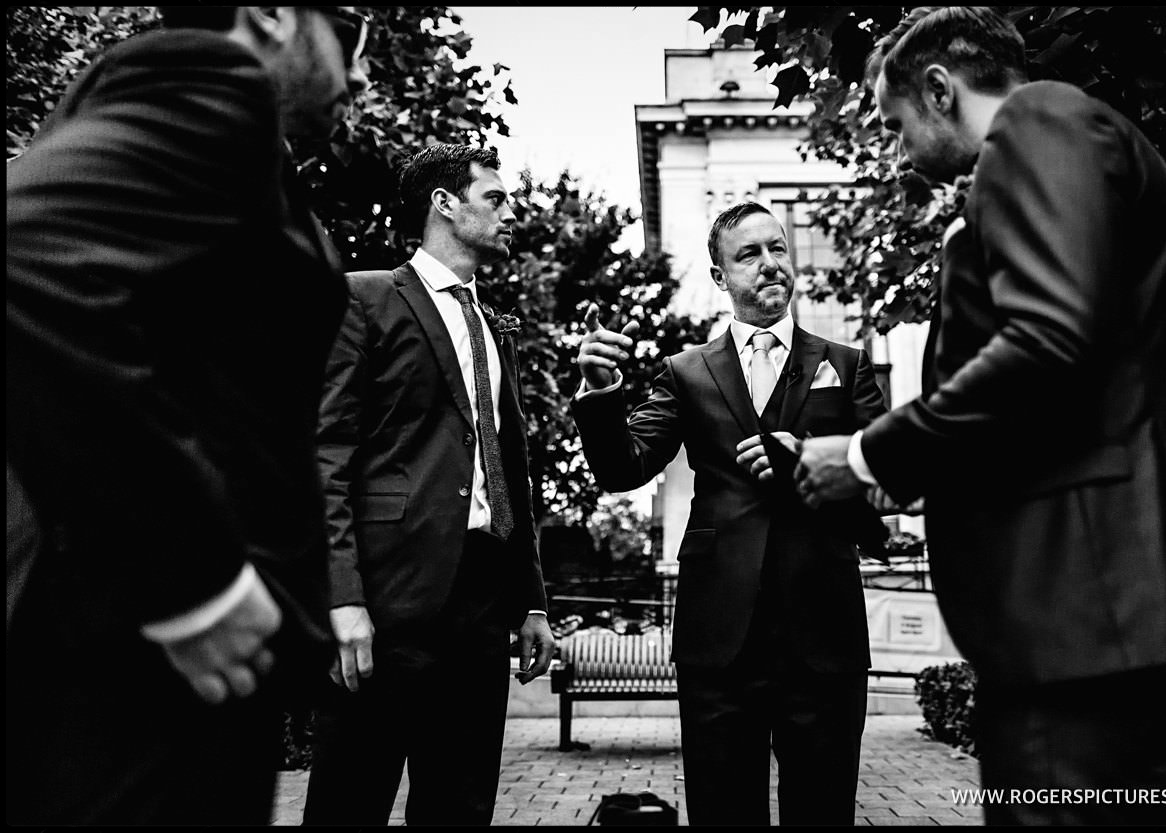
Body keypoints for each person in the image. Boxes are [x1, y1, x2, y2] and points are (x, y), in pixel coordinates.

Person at [790, 6, 1166, 825]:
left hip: (1082, 615)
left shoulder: (1037, 123)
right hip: (1125, 616)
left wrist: (868, 455)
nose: (899, 154)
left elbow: (1046, 339)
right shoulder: (1080, 143)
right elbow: (1078, 380)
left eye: (896, 129)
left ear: (939, 89)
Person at [5, 5, 370, 825]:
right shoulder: (208, 94)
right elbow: (23, 256)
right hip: (135, 675)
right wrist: (193, 583)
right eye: (351, 34)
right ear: (273, 15)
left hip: (159, 674)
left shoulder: (211, 127)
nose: (361, 74)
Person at [571, 202, 887, 826]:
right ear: (720, 277)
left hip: (824, 634)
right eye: (749, 255)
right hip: (721, 637)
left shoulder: (846, 366)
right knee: (723, 810)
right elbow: (621, 470)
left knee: (823, 811)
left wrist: (814, 468)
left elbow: (881, 503)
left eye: (777, 248)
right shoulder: (686, 374)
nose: (771, 265)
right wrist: (602, 393)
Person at [302, 143, 555, 826]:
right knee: (348, 802)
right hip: (387, 603)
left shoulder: (493, 328)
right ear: (445, 203)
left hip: (479, 605)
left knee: (460, 804)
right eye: (494, 198)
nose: (510, 211)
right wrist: (342, 596)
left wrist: (530, 600)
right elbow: (325, 453)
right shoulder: (366, 298)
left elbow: (509, 470)